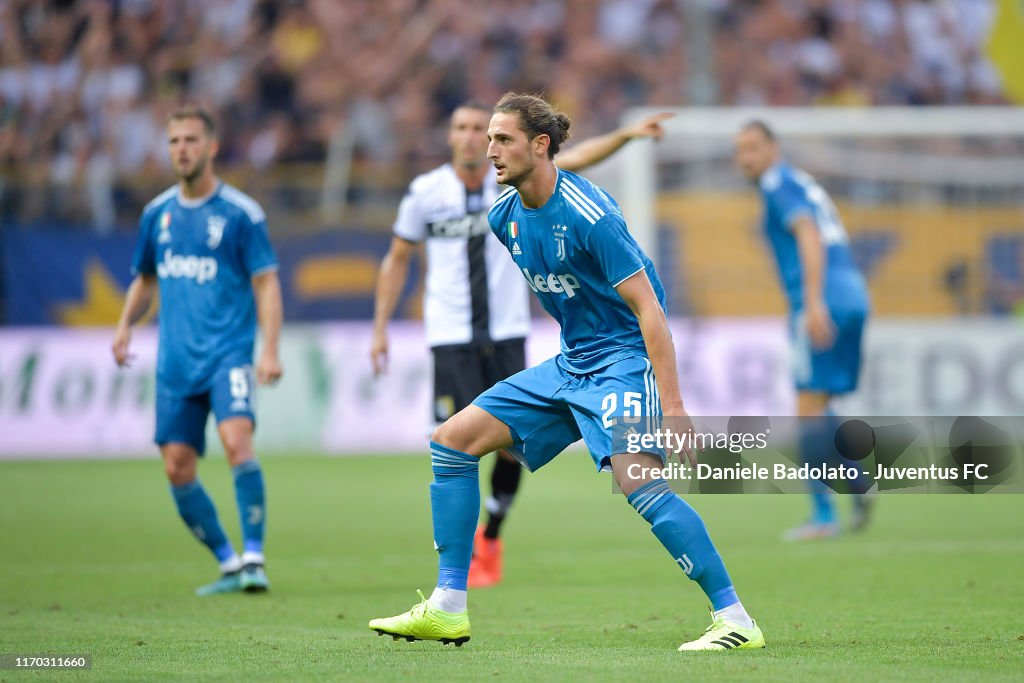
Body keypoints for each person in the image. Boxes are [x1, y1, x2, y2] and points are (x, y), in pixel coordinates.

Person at [369, 93, 764, 651]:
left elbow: (649, 308)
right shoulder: (504, 215)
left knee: (640, 485)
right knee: (451, 441)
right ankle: (448, 607)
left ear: (540, 144)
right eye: (488, 139)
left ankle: (736, 620)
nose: (490, 151)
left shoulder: (591, 214)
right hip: (571, 362)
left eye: (502, 139)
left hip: (624, 361)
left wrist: (673, 407)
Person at [371, 102, 674, 587]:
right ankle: (452, 586)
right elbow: (400, 258)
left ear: (535, 144)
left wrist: (626, 135)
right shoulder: (430, 194)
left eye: (489, 133)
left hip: (512, 331)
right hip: (450, 334)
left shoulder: (543, 187)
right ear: (452, 137)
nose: (479, 142)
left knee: (523, 453)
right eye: (468, 130)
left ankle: (491, 534)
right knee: (453, 440)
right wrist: (382, 325)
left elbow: (575, 160)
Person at [112, 105, 283, 595]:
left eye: (190, 140)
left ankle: (255, 558)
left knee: (236, 442)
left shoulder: (241, 215)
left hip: (227, 354)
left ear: (211, 147)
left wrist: (268, 350)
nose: (181, 149)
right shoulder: (157, 215)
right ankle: (228, 563)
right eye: (174, 141)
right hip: (175, 364)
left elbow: (267, 284)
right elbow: (145, 279)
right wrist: (125, 324)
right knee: (177, 466)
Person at [733, 120, 872, 540]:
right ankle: (857, 480)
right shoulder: (800, 181)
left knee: (806, 411)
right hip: (853, 295)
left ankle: (823, 515)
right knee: (819, 402)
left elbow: (809, 234)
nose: (746, 158)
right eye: (740, 150)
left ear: (774, 149)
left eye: (754, 148)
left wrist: (812, 304)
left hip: (823, 300)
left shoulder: (778, 184)